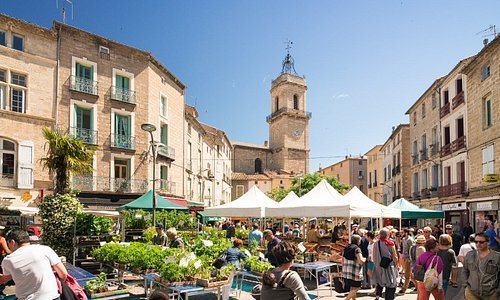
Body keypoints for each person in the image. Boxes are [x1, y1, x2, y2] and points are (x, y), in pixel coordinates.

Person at [0, 229, 69, 299]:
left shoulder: (8, 260)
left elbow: (5, 278)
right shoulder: (45, 249)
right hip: (52, 296)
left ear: (12, 242)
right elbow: (63, 274)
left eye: (8, 244)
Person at [461, 233, 500, 300]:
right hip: (472, 292)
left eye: (481, 242)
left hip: (491, 293)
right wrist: (465, 286)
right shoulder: (469, 255)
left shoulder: (497, 257)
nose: (478, 244)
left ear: (488, 242)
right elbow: (465, 270)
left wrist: (497, 291)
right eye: (476, 242)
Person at [371, 228, 399, 300]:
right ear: (388, 234)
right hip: (389, 267)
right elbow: (395, 256)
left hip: (379, 267)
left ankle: (378, 296)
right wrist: (396, 265)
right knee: (391, 284)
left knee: (380, 282)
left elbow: (374, 256)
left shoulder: (376, 243)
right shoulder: (390, 243)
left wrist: (376, 264)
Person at [342, 234, 366, 300]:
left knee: (353, 287)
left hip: (346, 271)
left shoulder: (346, 247)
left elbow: (342, 261)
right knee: (357, 287)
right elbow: (360, 261)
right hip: (355, 272)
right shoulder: (357, 249)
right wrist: (365, 259)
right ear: (358, 241)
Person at [398, 228, 414, 294]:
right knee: (409, 275)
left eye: (402, 232)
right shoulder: (404, 239)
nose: (401, 234)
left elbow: (411, 249)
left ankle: (404, 289)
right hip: (404, 257)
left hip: (408, 258)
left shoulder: (410, 240)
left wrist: (410, 258)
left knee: (407, 275)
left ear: (406, 233)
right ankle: (417, 287)